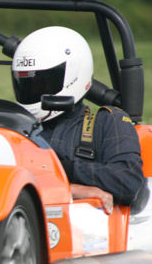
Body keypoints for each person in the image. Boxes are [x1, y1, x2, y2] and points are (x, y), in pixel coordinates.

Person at [11, 26, 145, 214]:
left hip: (89, 236)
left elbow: (127, 182)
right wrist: (71, 189)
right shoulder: (13, 125)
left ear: (73, 77)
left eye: (43, 83)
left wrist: (64, 170)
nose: (34, 90)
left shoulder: (107, 121)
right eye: (27, 83)